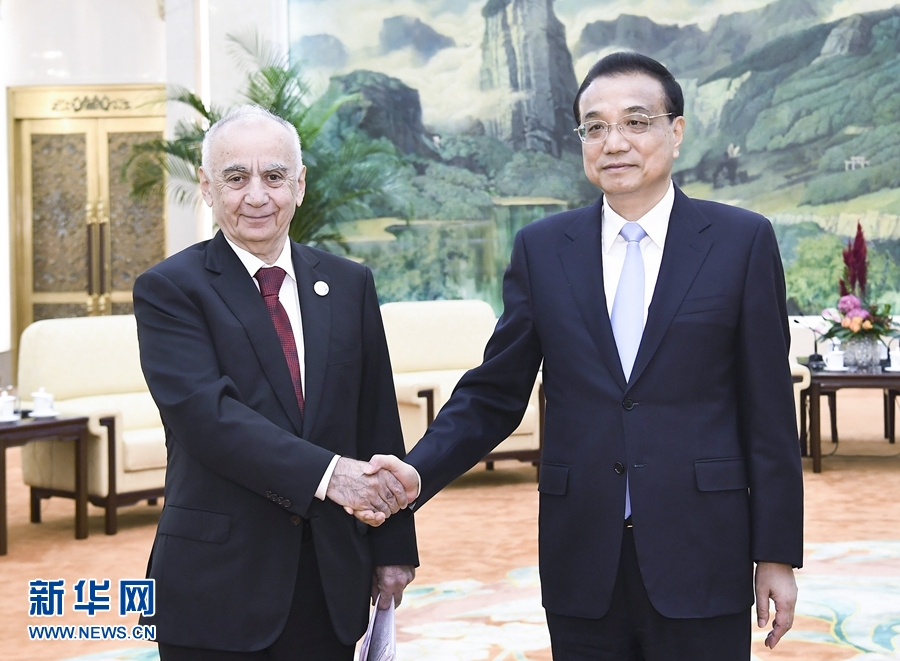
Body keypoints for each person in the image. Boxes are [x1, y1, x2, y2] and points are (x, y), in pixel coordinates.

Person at [361, 52, 804, 660]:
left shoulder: (740, 241)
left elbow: (769, 411)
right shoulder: (544, 249)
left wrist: (775, 553)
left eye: (636, 122)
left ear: (676, 131)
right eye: (595, 127)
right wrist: (417, 471)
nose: (614, 142)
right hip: (583, 556)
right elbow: (494, 393)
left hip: (703, 548)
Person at [133, 105, 417, 661]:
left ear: (300, 185)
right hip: (218, 585)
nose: (257, 196)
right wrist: (330, 476)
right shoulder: (170, 289)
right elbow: (207, 418)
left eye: (274, 176)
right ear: (207, 188)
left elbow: (376, 419)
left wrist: (393, 547)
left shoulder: (349, 284)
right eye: (236, 178)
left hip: (330, 580)